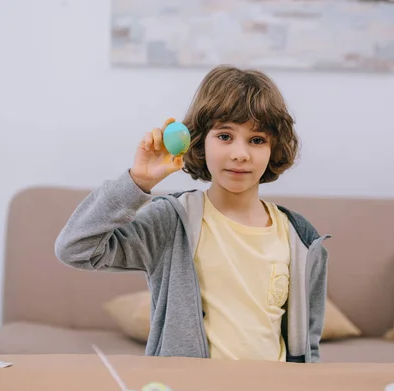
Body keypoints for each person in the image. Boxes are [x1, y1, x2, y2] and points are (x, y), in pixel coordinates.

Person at [55, 65, 330, 363]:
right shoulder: (173, 222)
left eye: (257, 140)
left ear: (273, 147)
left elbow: (308, 343)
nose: (240, 154)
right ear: (199, 140)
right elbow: (76, 248)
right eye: (225, 136)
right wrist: (138, 181)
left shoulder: (300, 238)